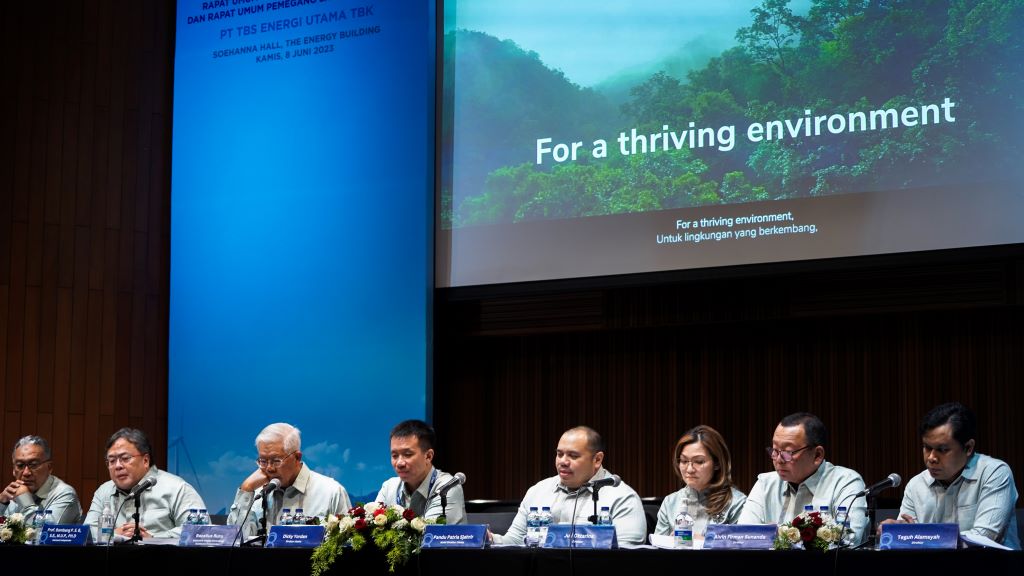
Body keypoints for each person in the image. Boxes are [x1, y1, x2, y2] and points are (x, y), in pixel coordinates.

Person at [880, 402, 1019, 549]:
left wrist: (921, 538)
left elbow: (982, 539)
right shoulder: (916, 485)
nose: (931, 458)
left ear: (968, 448)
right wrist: (898, 534)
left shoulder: (994, 473)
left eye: (943, 449)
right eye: (927, 448)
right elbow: (907, 539)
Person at [492, 426, 647, 546]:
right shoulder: (538, 491)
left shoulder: (622, 498)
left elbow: (627, 557)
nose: (563, 462)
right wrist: (491, 539)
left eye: (573, 456)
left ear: (597, 459)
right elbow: (515, 542)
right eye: (559, 454)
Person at [738, 412, 869, 545]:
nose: (778, 460)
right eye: (775, 450)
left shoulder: (846, 482)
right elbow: (742, 537)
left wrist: (775, 534)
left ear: (817, 455)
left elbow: (849, 540)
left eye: (788, 452)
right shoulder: (765, 484)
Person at [227, 423, 351, 538]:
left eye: (276, 461)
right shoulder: (258, 495)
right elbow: (235, 541)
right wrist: (246, 489)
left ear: (297, 457)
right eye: (263, 461)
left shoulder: (331, 492)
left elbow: (348, 545)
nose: (269, 468)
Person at [84, 427, 206, 541]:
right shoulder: (104, 491)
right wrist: (113, 535)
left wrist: (153, 538)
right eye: (111, 461)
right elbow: (86, 533)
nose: (118, 466)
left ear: (145, 460)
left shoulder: (176, 488)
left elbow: (200, 531)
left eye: (125, 458)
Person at [655, 425, 746, 536]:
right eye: (684, 461)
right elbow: (658, 549)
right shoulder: (670, 503)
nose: (689, 469)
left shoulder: (736, 503)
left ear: (717, 463)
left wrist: (705, 542)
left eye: (698, 461)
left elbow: (741, 548)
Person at [373, 419, 466, 524]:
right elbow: (373, 529)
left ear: (428, 456)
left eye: (407, 454)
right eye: (394, 456)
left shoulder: (447, 488)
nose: (399, 463)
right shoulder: (389, 487)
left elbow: (429, 535)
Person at [0, 435, 82, 524]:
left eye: (33, 465)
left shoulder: (65, 494)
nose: (26, 473)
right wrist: (2, 503)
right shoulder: (11, 495)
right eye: (20, 465)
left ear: (49, 467)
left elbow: (47, 532)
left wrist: (25, 501)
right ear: (13, 470)